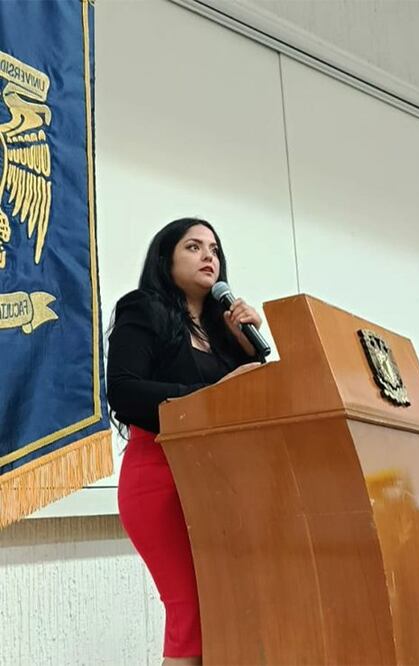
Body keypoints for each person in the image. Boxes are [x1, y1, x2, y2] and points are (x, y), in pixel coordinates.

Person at [107, 218, 264, 665]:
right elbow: (123, 390)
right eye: (193, 247)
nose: (208, 256)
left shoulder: (223, 334)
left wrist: (249, 349)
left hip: (217, 483)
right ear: (166, 259)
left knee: (227, 606)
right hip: (159, 479)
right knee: (190, 610)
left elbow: (249, 401)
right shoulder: (144, 308)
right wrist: (214, 393)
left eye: (213, 248)